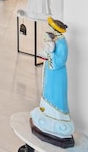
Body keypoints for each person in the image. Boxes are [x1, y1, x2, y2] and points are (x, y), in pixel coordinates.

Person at [30, 17, 75, 147]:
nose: (48, 29)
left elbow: (60, 60)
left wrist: (50, 53)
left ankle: (57, 120)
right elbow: (45, 53)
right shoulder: (54, 40)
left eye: (50, 27)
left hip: (57, 73)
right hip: (51, 72)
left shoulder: (61, 43)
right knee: (48, 89)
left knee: (56, 92)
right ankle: (46, 112)